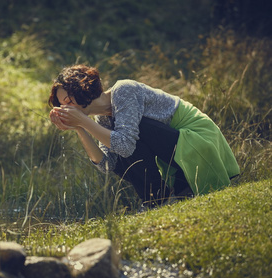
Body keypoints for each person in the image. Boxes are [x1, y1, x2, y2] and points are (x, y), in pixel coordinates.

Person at [48, 64, 240, 206]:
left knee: (128, 135)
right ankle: (159, 200)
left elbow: (125, 145)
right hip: (175, 148)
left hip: (197, 139)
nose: (65, 108)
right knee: (119, 142)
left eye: (67, 101)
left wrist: (84, 121)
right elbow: (109, 165)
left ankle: (157, 201)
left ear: (82, 91)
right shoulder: (101, 121)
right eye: (61, 105)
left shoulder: (124, 90)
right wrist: (80, 128)